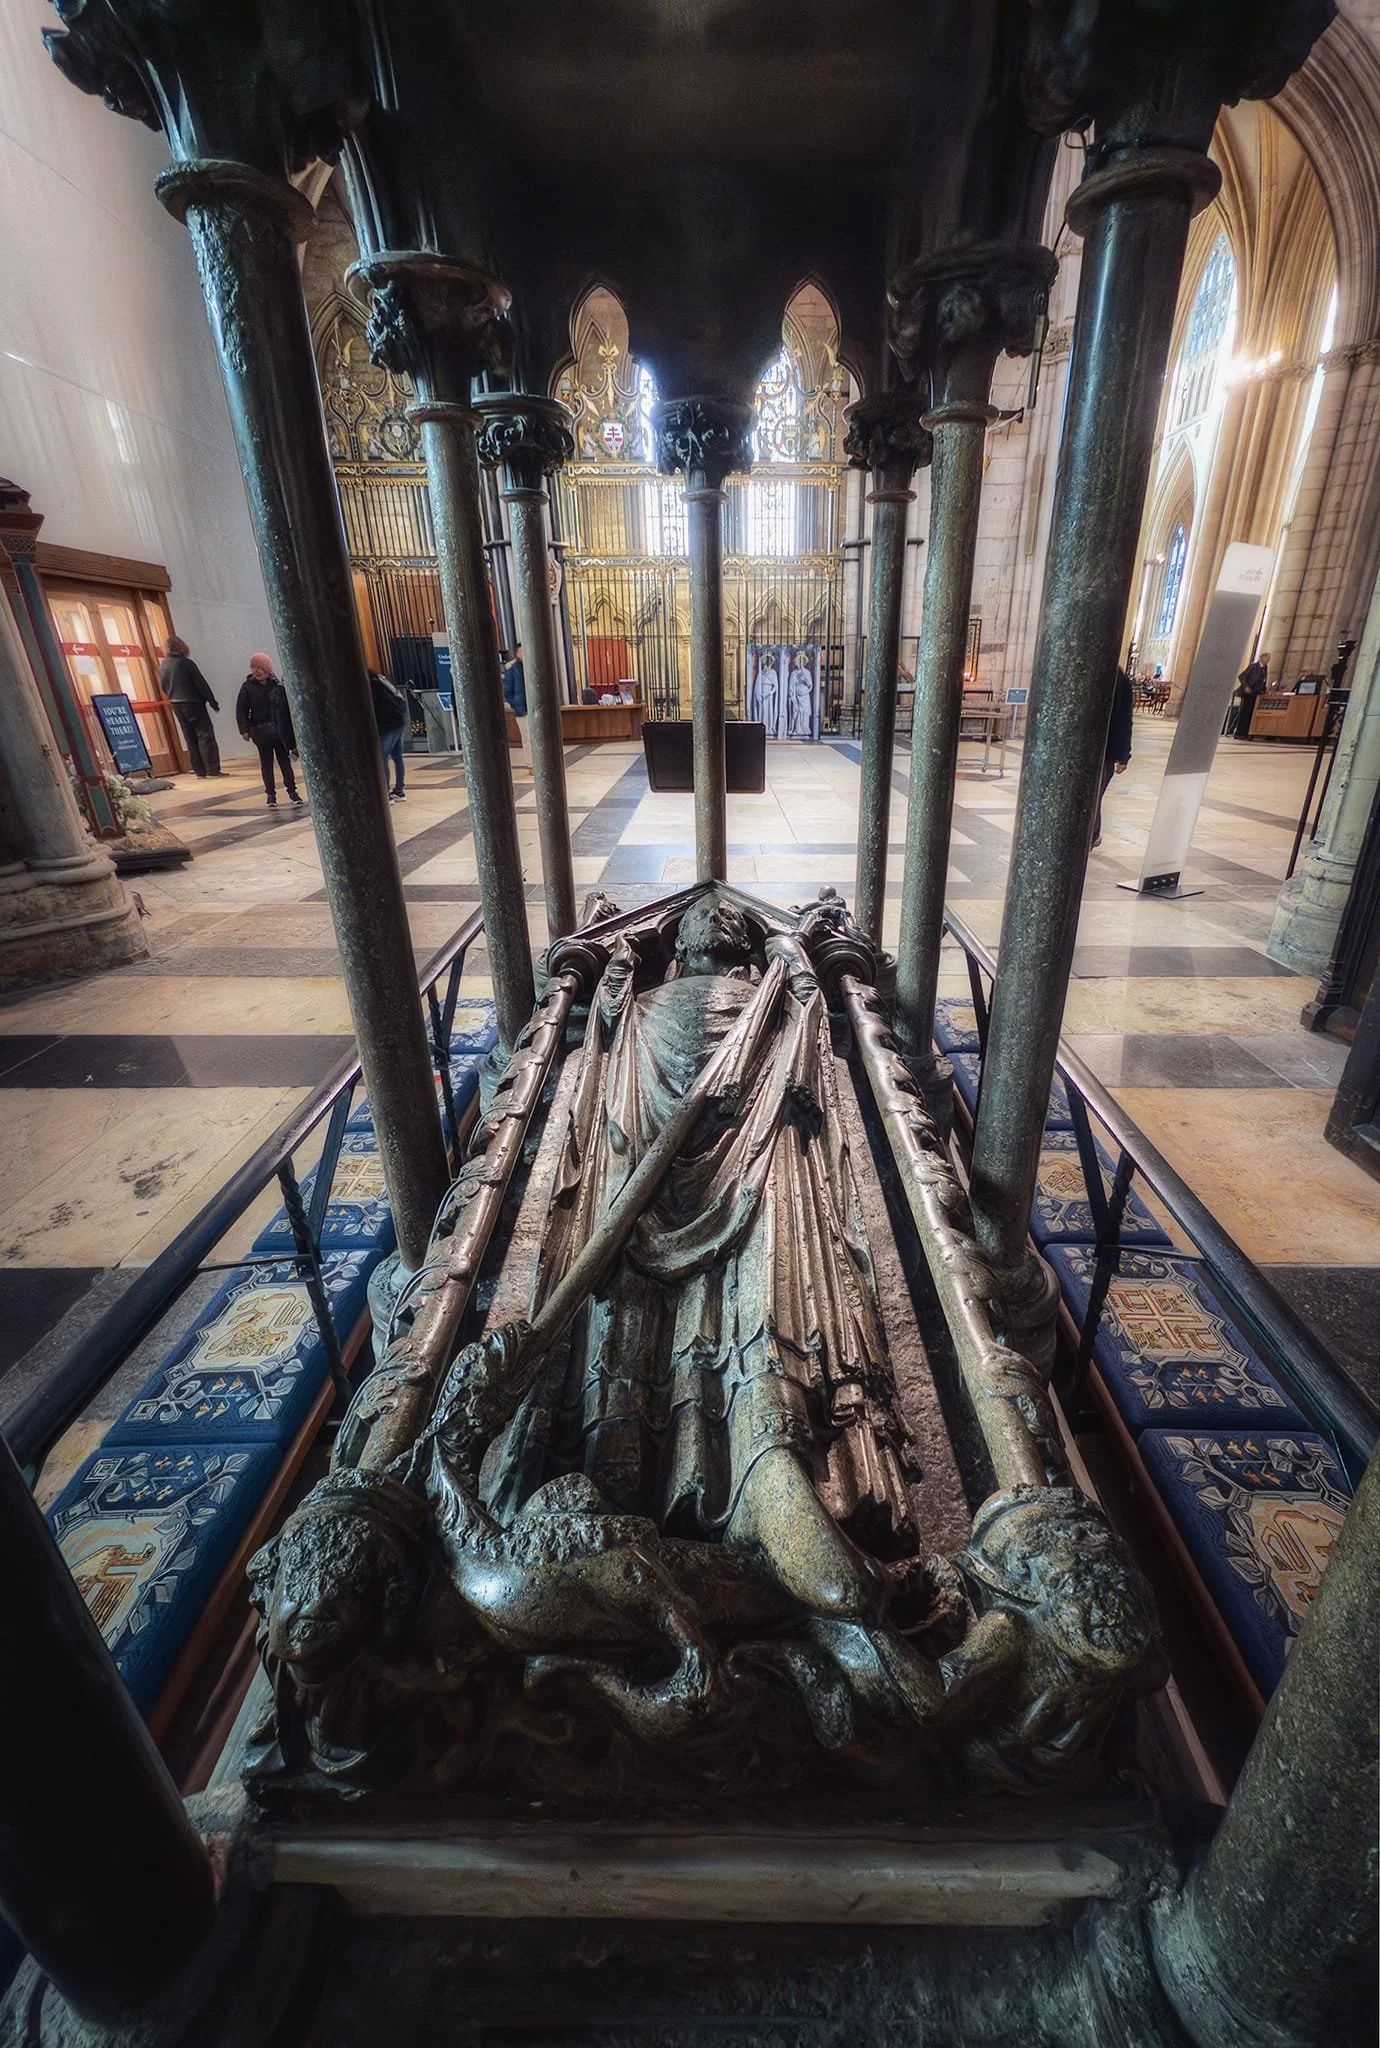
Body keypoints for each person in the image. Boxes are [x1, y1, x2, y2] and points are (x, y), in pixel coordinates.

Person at [236, 654, 301, 808]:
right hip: (260, 731)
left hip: (278, 731)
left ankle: (292, 792)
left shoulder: (277, 685)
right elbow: (241, 709)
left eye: (259, 667)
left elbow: (284, 709)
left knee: (284, 762)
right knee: (266, 764)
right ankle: (270, 795)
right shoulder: (247, 687)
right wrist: (244, 729)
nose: (256, 671)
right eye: (253, 668)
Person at [158, 635, 222, 778]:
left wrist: (171, 695)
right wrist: (212, 701)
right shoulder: (186, 663)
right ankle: (212, 768)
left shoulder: (163, 664)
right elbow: (200, 683)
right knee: (205, 735)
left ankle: (199, 771)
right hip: (193, 702)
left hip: (176, 703)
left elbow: (163, 685)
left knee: (189, 737)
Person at [1091, 664, 1133, 849]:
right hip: (1100, 749)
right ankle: (1091, 836)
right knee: (1093, 795)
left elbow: (1124, 719)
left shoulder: (1118, 679)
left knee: (1093, 795)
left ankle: (1091, 836)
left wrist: (1123, 755)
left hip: (1103, 750)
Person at [370, 668, 409, 802]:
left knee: (383, 758)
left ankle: (385, 793)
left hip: (386, 725)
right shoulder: (381, 680)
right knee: (397, 757)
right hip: (398, 721)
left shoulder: (370, 684)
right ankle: (399, 790)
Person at [501, 644, 530, 770]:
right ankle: (531, 764)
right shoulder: (512, 670)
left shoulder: (532, 668)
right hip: (521, 709)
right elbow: (507, 691)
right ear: (518, 653)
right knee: (527, 737)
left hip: (533, 708)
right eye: (522, 651)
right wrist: (515, 703)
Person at [1235, 649, 1271, 738]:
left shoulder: (1265, 668)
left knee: (1252, 713)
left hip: (1257, 693)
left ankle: (1247, 732)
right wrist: (1246, 686)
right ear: (1262, 657)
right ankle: (1240, 733)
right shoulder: (1253, 666)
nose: (1268, 660)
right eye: (1267, 658)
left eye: (1269, 658)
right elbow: (1242, 676)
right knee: (1245, 713)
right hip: (1249, 692)